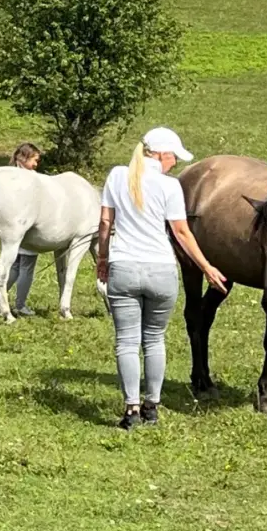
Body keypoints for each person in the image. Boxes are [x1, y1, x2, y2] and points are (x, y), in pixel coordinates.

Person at [96, 127, 226, 430]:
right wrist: (207, 267)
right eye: (173, 157)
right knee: (155, 339)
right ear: (160, 154)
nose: (175, 164)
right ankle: (152, 406)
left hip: (124, 266)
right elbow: (181, 232)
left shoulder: (117, 175)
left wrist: (102, 258)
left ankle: (131, 410)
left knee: (127, 342)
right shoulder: (170, 187)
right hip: (161, 271)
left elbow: (105, 222)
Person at [0, 143, 42, 316]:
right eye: (35, 160)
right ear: (25, 158)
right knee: (26, 268)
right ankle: (20, 304)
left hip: (11, 231)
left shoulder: (7, 175)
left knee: (13, 267)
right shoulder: (30, 180)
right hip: (26, 231)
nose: (36, 164)